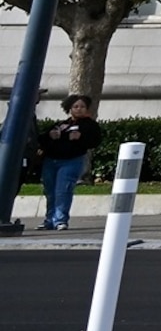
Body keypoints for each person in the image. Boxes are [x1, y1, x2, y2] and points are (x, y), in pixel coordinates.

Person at [35, 95, 101, 230]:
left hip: (71, 161)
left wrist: (80, 137)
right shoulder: (61, 124)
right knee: (50, 191)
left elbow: (94, 141)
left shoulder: (90, 125)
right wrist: (51, 136)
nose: (79, 109)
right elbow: (41, 139)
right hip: (51, 161)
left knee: (63, 190)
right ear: (69, 108)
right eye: (76, 107)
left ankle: (60, 220)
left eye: (82, 107)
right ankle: (49, 219)